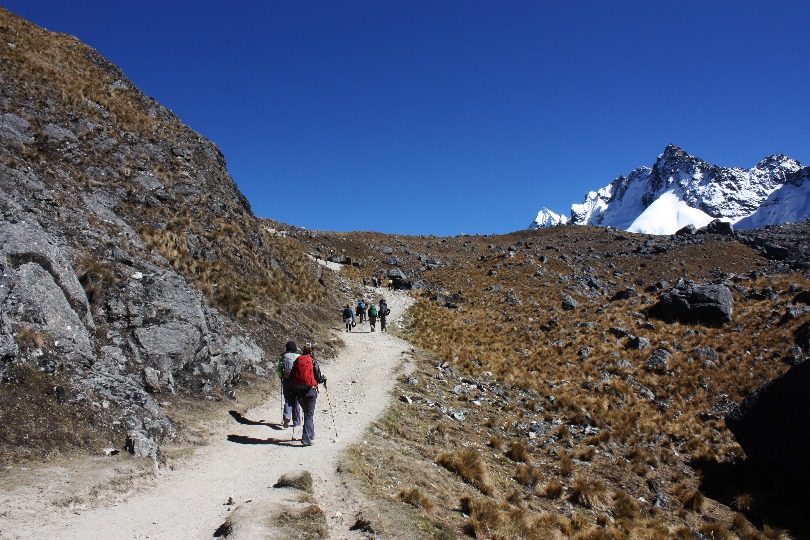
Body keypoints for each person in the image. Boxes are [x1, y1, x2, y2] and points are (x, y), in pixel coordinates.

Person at [289, 343, 326, 446]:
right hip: (310, 391)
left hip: (298, 391)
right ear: (311, 351)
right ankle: (306, 438)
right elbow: (318, 378)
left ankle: (311, 434)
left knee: (306, 412)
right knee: (309, 414)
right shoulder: (313, 361)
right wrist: (323, 379)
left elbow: (292, 376)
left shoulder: (298, 360)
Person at [277, 341, 301, 428]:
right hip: (296, 381)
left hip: (286, 379)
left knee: (288, 399)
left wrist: (281, 376)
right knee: (296, 400)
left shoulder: (283, 356)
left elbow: (279, 369)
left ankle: (287, 416)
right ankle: (296, 421)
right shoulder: (298, 356)